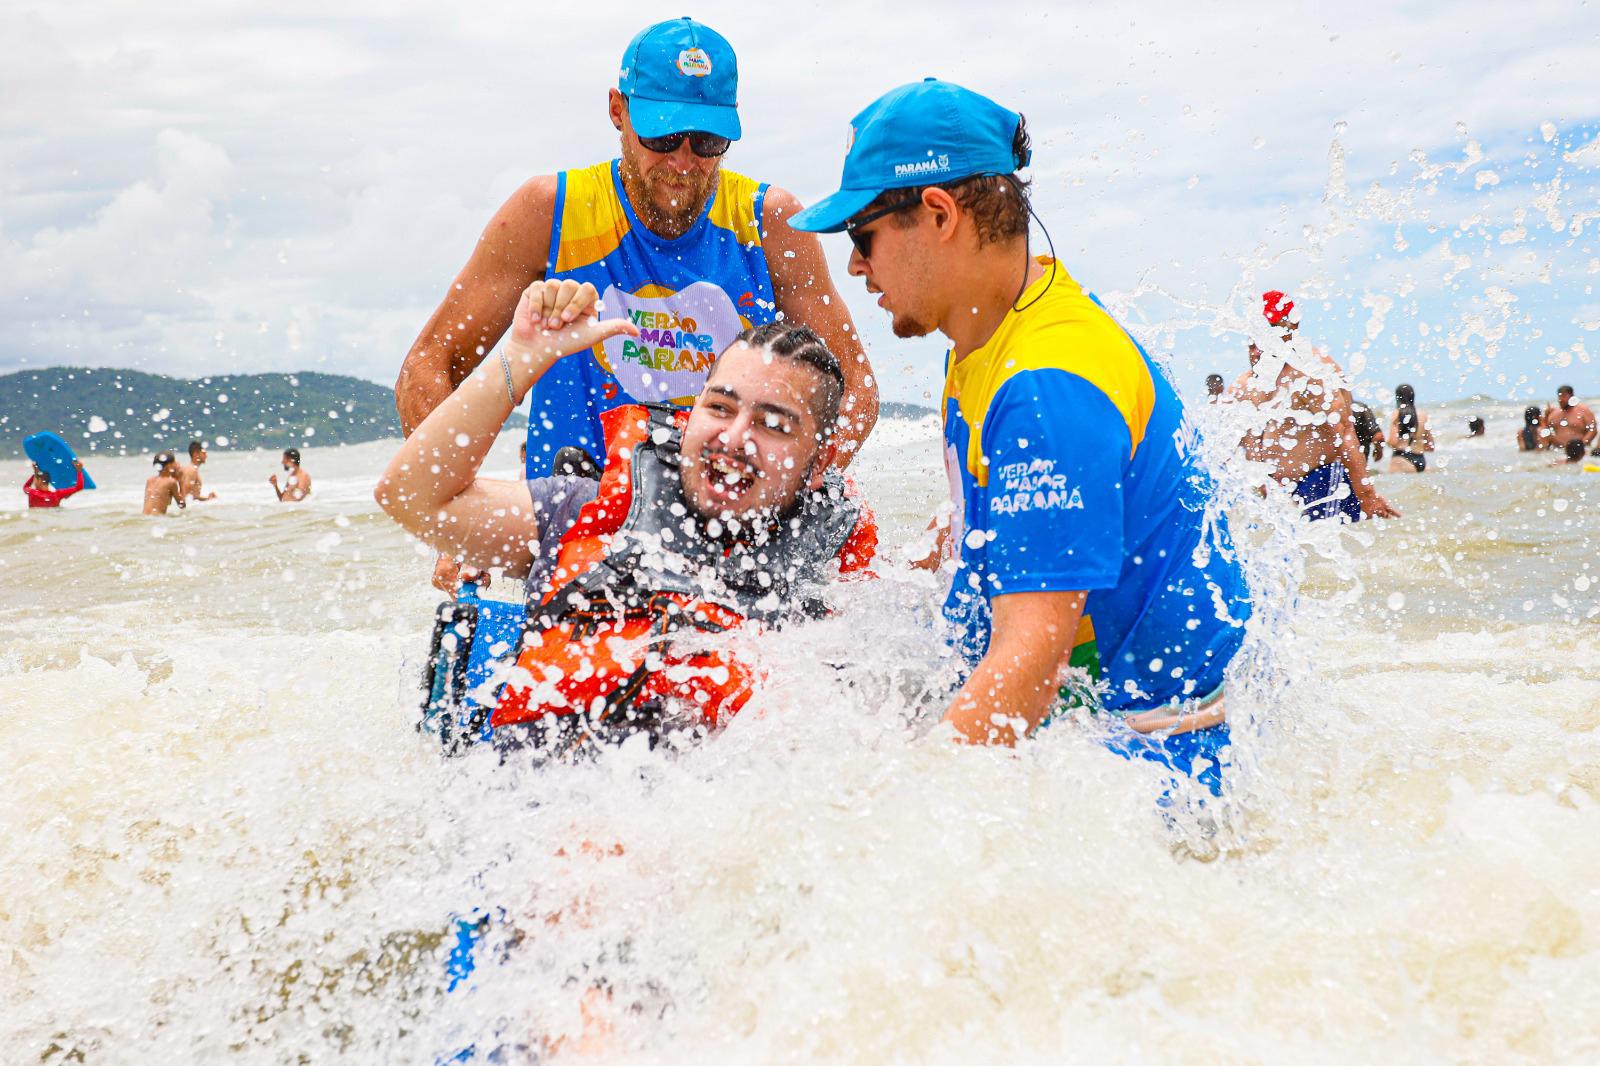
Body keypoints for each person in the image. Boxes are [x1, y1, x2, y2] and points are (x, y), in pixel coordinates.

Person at [786, 78, 1255, 795]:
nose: (855, 265)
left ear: (937, 213)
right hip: (1088, 721)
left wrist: (891, 821)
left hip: (1147, 762)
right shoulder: (989, 330)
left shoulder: (1046, 384)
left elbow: (1031, 663)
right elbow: (986, 529)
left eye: (863, 234)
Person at [392, 17, 878, 596]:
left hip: (728, 535)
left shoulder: (769, 223)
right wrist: (458, 527)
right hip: (579, 525)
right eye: (663, 137)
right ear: (618, 112)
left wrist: (780, 504)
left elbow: (854, 390)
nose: (684, 162)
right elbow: (430, 365)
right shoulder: (549, 212)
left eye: (707, 143)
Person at [376, 281, 875, 751]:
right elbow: (413, 499)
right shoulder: (583, 508)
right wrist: (523, 357)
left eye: (772, 424)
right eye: (720, 408)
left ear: (821, 464)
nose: (734, 437)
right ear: (691, 412)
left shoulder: (834, 579)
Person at [1229, 291, 1400, 523]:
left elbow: (1344, 433)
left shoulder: (1312, 372)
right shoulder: (1246, 383)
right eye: (1258, 329)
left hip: (1322, 481)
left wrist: (1367, 496)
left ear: (1293, 325)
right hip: (1279, 497)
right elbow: (1243, 443)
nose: (1264, 337)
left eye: (1272, 327)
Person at [1387, 383, 1434, 473]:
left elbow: (1393, 442)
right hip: (1421, 460)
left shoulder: (1397, 413)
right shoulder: (1423, 414)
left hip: (1401, 459)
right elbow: (1430, 446)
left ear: (1398, 397)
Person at [1544, 385, 1597, 453]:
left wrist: (1581, 445)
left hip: (1580, 451)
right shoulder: (1553, 414)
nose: (1561, 400)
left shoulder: (1583, 411)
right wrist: (1545, 417)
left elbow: (1593, 430)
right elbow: (1545, 432)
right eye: (1559, 396)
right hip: (1558, 451)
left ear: (1572, 397)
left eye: (1564, 396)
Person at [1351, 399, 1386, 465]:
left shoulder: (1331, 408)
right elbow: (1378, 437)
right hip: (1359, 463)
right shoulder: (1361, 407)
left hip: (1333, 463)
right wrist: (1379, 452)